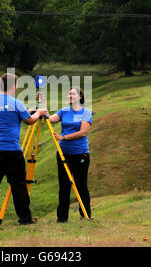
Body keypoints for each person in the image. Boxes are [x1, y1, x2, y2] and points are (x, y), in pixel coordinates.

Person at [0, 73, 47, 225]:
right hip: (11, 152)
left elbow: (6, 114)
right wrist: (39, 113)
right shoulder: (16, 103)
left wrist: (25, 111)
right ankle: (24, 218)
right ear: (13, 87)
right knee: (18, 186)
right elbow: (29, 121)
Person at [46, 86, 93, 222]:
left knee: (81, 185)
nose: (70, 97)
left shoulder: (86, 112)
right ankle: (62, 219)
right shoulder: (64, 111)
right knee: (64, 186)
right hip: (63, 154)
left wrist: (64, 137)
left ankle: (85, 216)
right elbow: (51, 118)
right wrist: (42, 105)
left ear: (80, 97)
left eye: (72, 94)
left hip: (80, 154)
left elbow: (83, 132)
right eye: (68, 95)